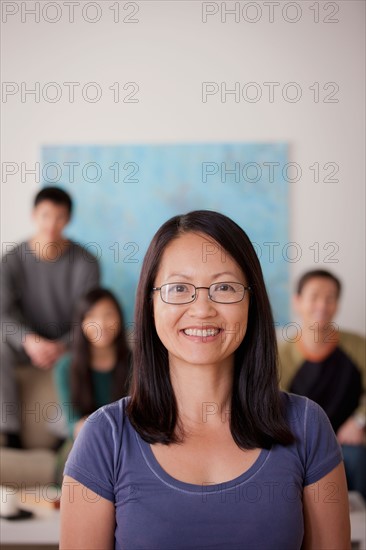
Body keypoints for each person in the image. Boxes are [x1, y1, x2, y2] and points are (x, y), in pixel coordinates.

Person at [60, 211, 350, 550]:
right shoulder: (104, 437)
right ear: (150, 303)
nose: (202, 308)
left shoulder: (307, 426)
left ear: (251, 302)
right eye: (179, 288)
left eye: (224, 287)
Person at [0, 186, 100, 447]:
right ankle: (9, 433)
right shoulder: (11, 260)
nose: (51, 224)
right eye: (45, 216)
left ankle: (61, 436)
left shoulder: (86, 262)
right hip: (24, 344)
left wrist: (63, 345)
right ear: (34, 215)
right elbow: (2, 314)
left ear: (68, 219)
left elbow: (89, 317)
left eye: (59, 217)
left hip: (68, 343)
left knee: (91, 347)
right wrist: (28, 340)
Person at [278, 269, 366, 498]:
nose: (322, 305)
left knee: (356, 457)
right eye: (314, 296)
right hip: (300, 443)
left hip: (349, 443)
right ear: (297, 302)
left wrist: (359, 421)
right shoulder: (280, 354)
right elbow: (273, 404)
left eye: (331, 298)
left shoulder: (357, 346)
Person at [53, 287, 131, 484]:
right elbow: (73, 423)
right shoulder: (66, 366)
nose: (101, 324)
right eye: (91, 316)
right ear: (81, 323)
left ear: (120, 318)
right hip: (82, 442)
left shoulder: (137, 362)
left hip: (127, 442)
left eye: (108, 315)